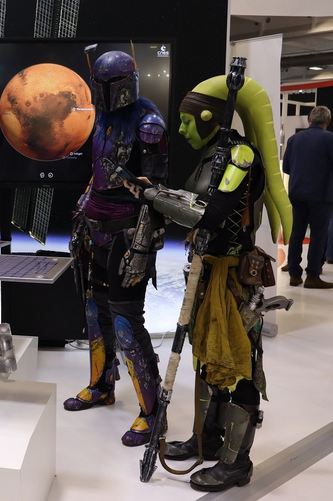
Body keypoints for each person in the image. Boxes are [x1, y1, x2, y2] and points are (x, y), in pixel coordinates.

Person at [136, 75, 292, 491]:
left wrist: (155, 197)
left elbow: (212, 212)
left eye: (188, 121)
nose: (181, 128)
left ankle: (236, 463)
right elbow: (193, 204)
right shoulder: (212, 155)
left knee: (240, 367)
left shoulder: (240, 154)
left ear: (209, 117)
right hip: (207, 273)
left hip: (235, 279)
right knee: (206, 357)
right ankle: (207, 439)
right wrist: (157, 193)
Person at [64, 50, 169, 447]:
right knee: (95, 312)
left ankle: (152, 411)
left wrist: (143, 248)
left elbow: (157, 195)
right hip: (96, 232)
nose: (106, 92)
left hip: (129, 237)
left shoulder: (149, 126)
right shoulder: (100, 122)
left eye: (112, 85)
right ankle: (102, 384)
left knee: (126, 323)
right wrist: (84, 206)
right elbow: (98, 176)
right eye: (100, 84)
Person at [282, 106, 333, 288]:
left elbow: (286, 168)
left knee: (297, 233)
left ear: (309, 119)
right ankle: (312, 275)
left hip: (297, 193)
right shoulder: (330, 138)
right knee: (318, 235)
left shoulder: (294, 139)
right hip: (321, 195)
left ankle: (294, 274)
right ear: (328, 121)